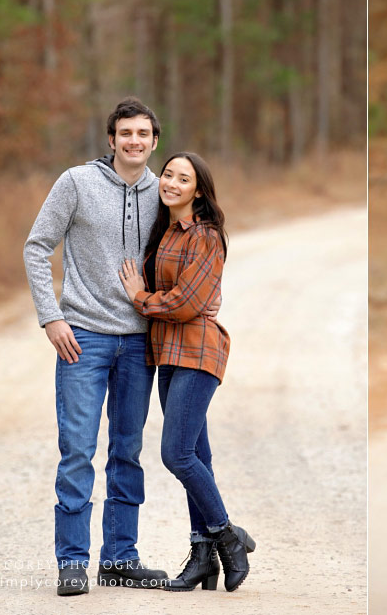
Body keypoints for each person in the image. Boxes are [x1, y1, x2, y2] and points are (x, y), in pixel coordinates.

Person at [24, 97, 169, 595]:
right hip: (82, 338)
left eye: (143, 134)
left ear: (154, 141)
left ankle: (121, 559)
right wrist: (51, 317)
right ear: (111, 140)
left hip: (138, 343)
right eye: (125, 133)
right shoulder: (77, 183)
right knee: (78, 451)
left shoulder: (163, 193)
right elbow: (37, 245)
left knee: (127, 452)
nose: (134, 141)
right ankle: (72, 561)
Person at [119, 151, 256, 593]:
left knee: (176, 454)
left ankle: (228, 537)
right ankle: (202, 558)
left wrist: (141, 298)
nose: (172, 183)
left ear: (198, 190)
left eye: (184, 178)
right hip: (167, 354)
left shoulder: (206, 236)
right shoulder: (164, 233)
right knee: (199, 458)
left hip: (198, 353)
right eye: (169, 175)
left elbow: (185, 303)